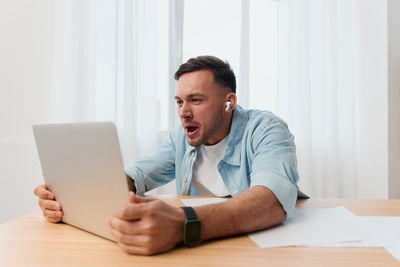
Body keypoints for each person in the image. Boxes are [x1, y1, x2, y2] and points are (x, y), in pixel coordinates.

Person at [34, 55, 300, 255]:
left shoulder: (267, 129)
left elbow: (271, 201)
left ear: (228, 102)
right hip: (200, 251)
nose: (183, 112)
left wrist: (184, 225)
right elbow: (138, 173)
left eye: (195, 100)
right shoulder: (181, 137)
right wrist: (76, 195)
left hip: (253, 252)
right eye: (179, 101)